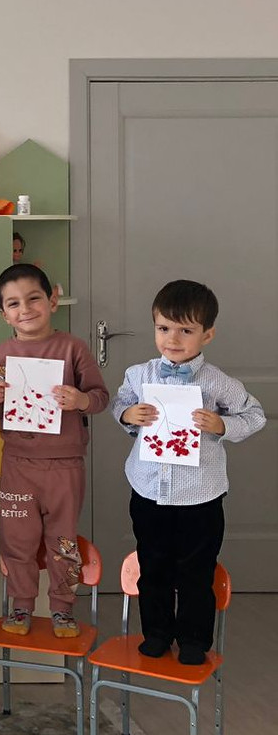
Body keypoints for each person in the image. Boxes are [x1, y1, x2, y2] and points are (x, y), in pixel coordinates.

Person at [111, 279, 265, 665]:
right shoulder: (139, 374)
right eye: (164, 328)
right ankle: (157, 632)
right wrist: (128, 415)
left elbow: (255, 415)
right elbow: (119, 405)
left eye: (186, 330)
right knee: (153, 566)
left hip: (200, 495)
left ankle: (194, 638)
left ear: (207, 335)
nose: (173, 339)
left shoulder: (217, 382)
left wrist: (223, 425)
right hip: (148, 490)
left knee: (196, 571)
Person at [0, 264, 109, 639]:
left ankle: (63, 608)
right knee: (17, 539)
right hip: (18, 464)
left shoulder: (73, 348)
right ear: (4, 314)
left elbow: (100, 397)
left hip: (65, 464)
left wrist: (80, 400)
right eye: (13, 304)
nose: (25, 309)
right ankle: (21, 604)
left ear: (52, 300)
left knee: (63, 540)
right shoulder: (1, 355)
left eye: (33, 298)